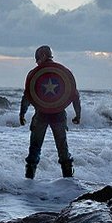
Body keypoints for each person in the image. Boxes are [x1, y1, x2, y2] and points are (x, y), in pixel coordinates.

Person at [19, 45, 81, 179]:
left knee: (34, 149)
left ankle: (29, 182)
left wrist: (22, 113)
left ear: (42, 56)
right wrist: (78, 114)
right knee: (63, 150)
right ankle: (68, 182)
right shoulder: (63, 72)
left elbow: (28, 95)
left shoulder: (33, 73)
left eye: (37, 59)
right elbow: (74, 95)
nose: (37, 62)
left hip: (41, 115)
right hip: (58, 115)